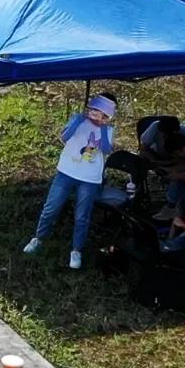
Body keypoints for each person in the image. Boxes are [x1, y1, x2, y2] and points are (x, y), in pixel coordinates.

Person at [22, 93, 117, 270]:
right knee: (51, 208)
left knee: (82, 216)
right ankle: (38, 238)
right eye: (95, 110)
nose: (97, 115)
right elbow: (64, 137)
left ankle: (76, 250)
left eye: (103, 113)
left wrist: (103, 127)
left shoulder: (109, 130)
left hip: (89, 179)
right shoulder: (78, 120)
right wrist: (78, 120)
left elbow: (105, 149)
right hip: (66, 172)